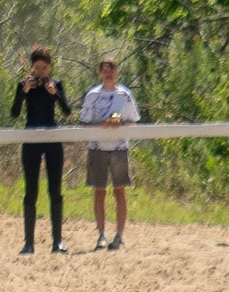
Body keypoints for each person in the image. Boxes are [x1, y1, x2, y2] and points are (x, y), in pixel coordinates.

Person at [10, 48, 71, 255]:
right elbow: (14, 113)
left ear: (50, 67)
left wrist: (56, 93)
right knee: (31, 190)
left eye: (44, 68)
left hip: (52, 138)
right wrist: (24, 92)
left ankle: (58, 241)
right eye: (37, 68)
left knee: (55, 190)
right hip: (31, 138)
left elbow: (67, 111)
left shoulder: (56, 84)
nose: (40, 72)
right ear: (31, 67)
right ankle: (29, 242)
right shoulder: (24, 84)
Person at [79, 57, 139, 251]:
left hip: (119, 148)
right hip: (97, 148)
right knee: (99, 190)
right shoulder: (92, 95)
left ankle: (119, 235)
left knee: (119, 190)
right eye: (105, 71)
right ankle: (101, 235)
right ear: (100, 73)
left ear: (117, 72)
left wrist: (119, 124)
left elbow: (133, 120)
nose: (108, 74)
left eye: (111, 71)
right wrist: (102, 124)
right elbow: (85, 121)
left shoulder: (125, 95)